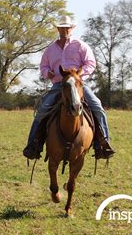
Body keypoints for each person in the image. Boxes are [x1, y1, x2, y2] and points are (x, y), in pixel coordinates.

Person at [23, 15, 115, 160]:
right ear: (58, 29)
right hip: (59, 85)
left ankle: (103, 144)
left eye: (67, 27)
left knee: (97, 107)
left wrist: (78, 75)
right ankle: (33, 145)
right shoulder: (50, 50)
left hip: (78, 84)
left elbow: (90, 63)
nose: (64, 30)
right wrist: (49, 73)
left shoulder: (80, 46)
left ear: (71, 29)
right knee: (42, 110)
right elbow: (43, 66)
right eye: (62, 27)